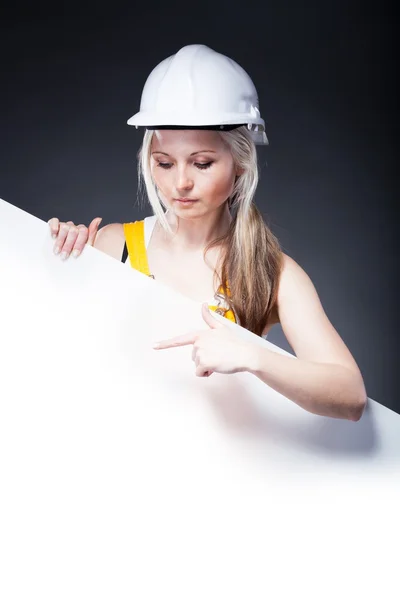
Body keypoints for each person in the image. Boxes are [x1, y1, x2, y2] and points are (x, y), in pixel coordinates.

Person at [47, 44, 367, 421]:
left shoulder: (271, 274)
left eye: (201, 163)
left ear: (241, 167)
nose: (180, 182)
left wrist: (253, 357)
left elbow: (350, 395)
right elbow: (59, 354)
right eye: (164, 163)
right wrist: (58, 258)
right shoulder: (114, 245)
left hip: (221, 473)